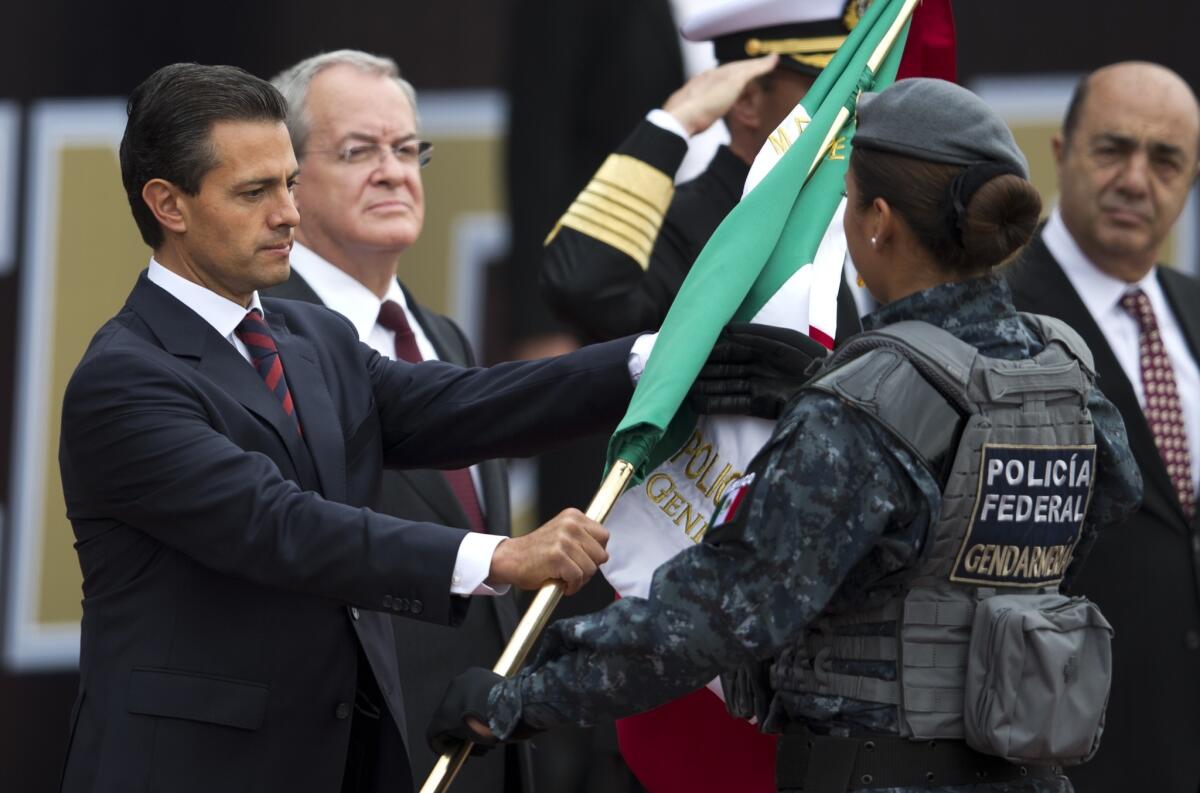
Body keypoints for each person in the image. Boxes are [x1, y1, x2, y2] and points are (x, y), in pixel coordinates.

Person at [430, 78, 1144, 792]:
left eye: (849, 195)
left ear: (880, 221)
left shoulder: (867, 408)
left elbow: (717, 613)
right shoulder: (1064, 369)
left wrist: (520, 693)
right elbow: (1112, 497)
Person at [58, 62, 635, 793]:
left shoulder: (311, 336)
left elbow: (464, 402)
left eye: (291, 184)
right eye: (254, 192)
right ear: (168, 204)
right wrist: (498, 555)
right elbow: (281, 526)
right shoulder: (124, 378)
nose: (288, 214)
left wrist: (652, 360)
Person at [259, 50, 538, 793]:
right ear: (286, 175)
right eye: (358, 152)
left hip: (482, 752)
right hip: (361, 760)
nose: (393, 170)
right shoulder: (264, 344)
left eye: (407, 148)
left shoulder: (444, 338)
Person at [1005, 61, 1200, 793]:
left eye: (1166, 158)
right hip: (1056, 746)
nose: (1135, 179)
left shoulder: (1191, 305)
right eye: (1113, 148)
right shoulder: (992, 311)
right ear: (1060, 153)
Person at [539, 0, 863, 344]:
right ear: (748, 102)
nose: (852, 109)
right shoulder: (684, 226)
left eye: (857, 91)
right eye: (829, 93)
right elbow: (581, 287)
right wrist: (673, 123)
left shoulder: (841, 219)